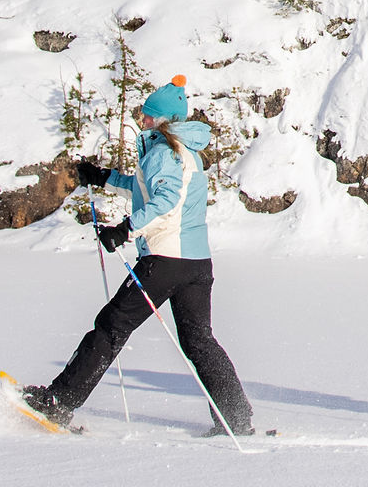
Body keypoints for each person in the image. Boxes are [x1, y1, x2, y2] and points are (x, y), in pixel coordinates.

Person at [20, 74, 254, 435]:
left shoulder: (163, 151)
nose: (141, 121)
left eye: (147, 116)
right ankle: (236, 419)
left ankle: (59, 402)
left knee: (112, 326)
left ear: (161, 120)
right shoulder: (185, 152)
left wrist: (125, 230)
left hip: (164, 261)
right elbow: (145, 186)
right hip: (195, 263)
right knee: (199, 341)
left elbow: (163, 201)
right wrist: (104, 177)